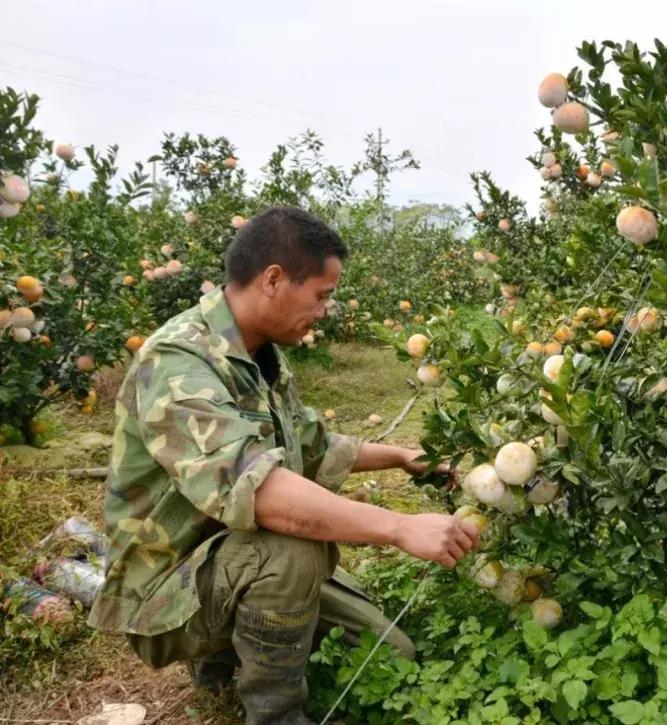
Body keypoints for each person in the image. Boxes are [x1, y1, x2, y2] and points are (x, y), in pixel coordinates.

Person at [88, 206, 480, 724]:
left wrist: (401, 457)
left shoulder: (261, 354)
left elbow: (312, 443)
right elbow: (265, 495)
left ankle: (225, 655)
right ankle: (273, 713)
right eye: (321, 295)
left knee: (391, 654)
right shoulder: (179, 363)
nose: (325, 310)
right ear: (273, 279)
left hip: (229, 556)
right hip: (165, 589)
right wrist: (399, 527)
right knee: (292, 550)